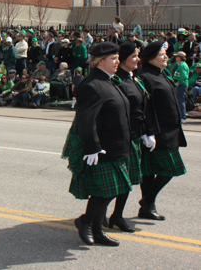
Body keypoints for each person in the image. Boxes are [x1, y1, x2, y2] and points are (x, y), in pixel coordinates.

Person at [62, 42, 132, 246]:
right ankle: (85, 222)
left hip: (117, 145)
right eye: (114, 58)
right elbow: (86, 119)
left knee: (110, 191)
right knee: (105, 192)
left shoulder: (110, 81)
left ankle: (96, 230)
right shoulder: (92, 85)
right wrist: (93, 147)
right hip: (102, 148)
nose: (118, 61)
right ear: (101, 61)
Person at [138, 41, 187, 220]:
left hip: (170, 130)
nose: (166, 57)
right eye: (161, 55)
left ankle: (147, 205)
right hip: (157, 132)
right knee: (170, 168)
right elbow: (145, 108)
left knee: (150, 171)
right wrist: (148, 133)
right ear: (150, 58)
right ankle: (147, 201)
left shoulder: (162, 73)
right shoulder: (144, 77)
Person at [105, 43, 145, 232]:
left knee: (126, 182)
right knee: (118, 181)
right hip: (121, 137)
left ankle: (117, 216)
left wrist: (146, 132)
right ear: (122, 60)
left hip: (135, 135)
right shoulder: (116, 81)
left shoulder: (132, 79)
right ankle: (96, 214)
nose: (138, 59)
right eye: (134, 56)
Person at [172, 52, 189, 123]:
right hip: (180, 84)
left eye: (177, 56)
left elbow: (184, 76)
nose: (176, 58)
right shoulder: (180, 65)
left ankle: (183, 117)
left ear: (180, 57)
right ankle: (180, 116)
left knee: (181, 100)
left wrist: (177, 83)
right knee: (179, 100)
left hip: (181, 85)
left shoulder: (182, 65)